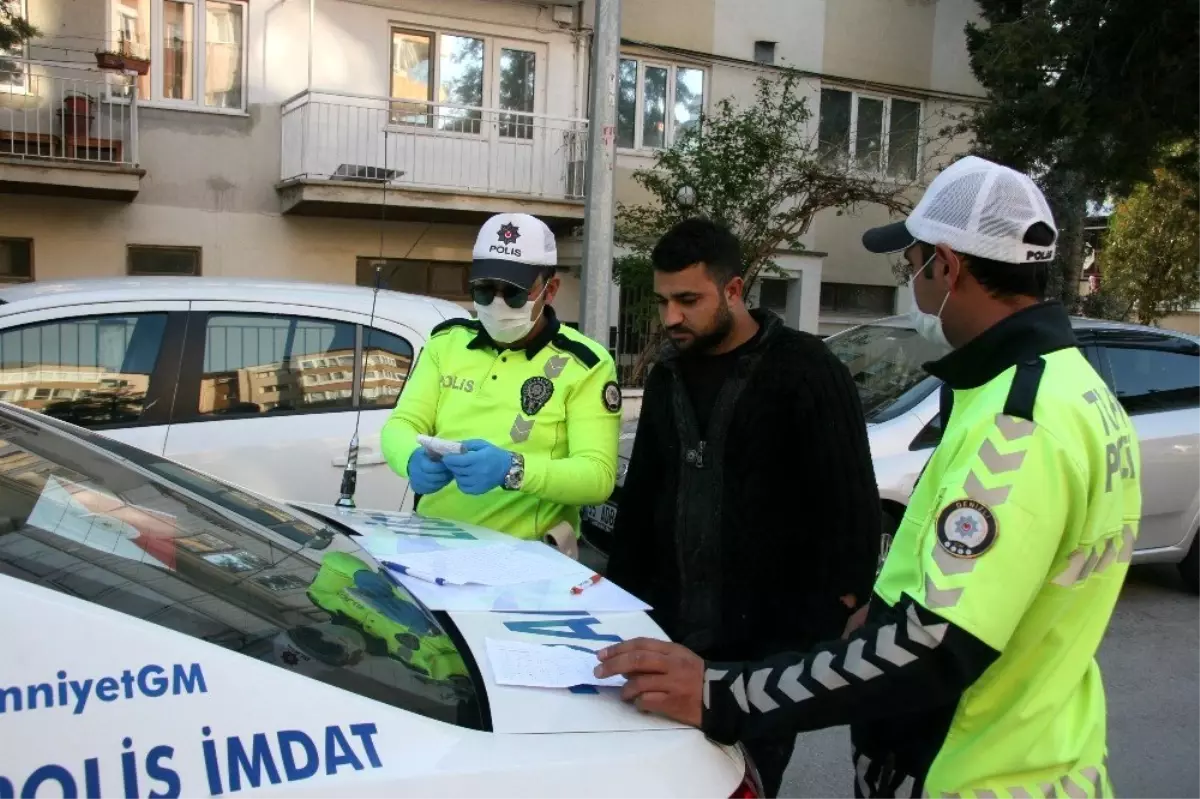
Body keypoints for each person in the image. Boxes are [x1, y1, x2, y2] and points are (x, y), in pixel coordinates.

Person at [594, 156, 1143, 798]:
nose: (912, 284)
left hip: (972, 772)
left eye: (911, 266)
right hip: (1045, 753)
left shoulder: (1018, 422)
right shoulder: (1076, 392)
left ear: (947, 265)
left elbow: (931, 644)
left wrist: (721, 692)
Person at [603, 217, 882, 798]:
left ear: (733, 290)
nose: (670, 318)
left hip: (767, 655)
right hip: (667, 632)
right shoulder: (666, 378)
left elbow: (851, 504)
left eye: (688, 299)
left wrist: (832, 614)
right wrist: (619, 604)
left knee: (738, 784)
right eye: (662, 301)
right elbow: (642, 503)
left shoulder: (806, 370)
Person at [380, 213, 622, 548]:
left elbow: (598, 477)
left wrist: (514, 469)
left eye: (514, 292)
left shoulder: (585, 364)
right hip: (433, 546)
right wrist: (409, 458)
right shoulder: (446, 343)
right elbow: (401, 424)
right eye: (483, 290)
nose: (497, 303)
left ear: (550, 290)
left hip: (529, 559)